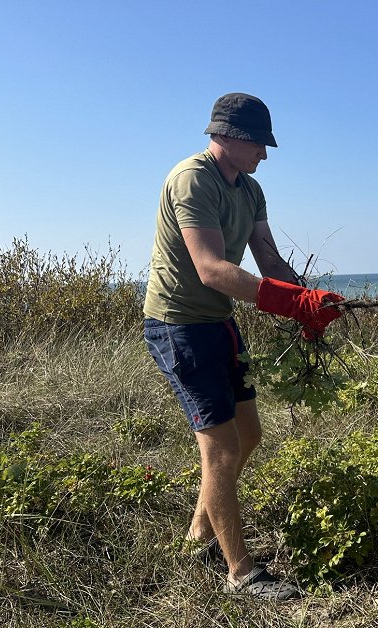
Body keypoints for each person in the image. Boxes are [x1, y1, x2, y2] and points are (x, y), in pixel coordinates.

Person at [142, 92, 343, 600]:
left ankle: (198, 536)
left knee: (248, 434)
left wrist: (306, 300)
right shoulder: (191, 180)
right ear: (227, 135)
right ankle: (241, 573)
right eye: (259, 143)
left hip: (220, 323)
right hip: (179, 326)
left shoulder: (250, 190)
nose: (265, 155)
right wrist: (285, 302)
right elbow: (210, 269)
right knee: (222, 447)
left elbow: (269, 262)